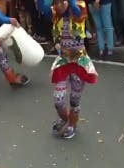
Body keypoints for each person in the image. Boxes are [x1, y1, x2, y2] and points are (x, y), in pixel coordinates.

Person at [39, 0, 97, 139]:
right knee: (58, 100)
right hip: (64, 61)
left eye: (61, 2)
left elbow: (76, 10)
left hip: (79, 61)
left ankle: (72, 124)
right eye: (56, 3)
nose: (59, 5)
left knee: (74, 100)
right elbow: (43, 8)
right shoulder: (55, 15)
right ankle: (65, 119)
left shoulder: (79, 8)